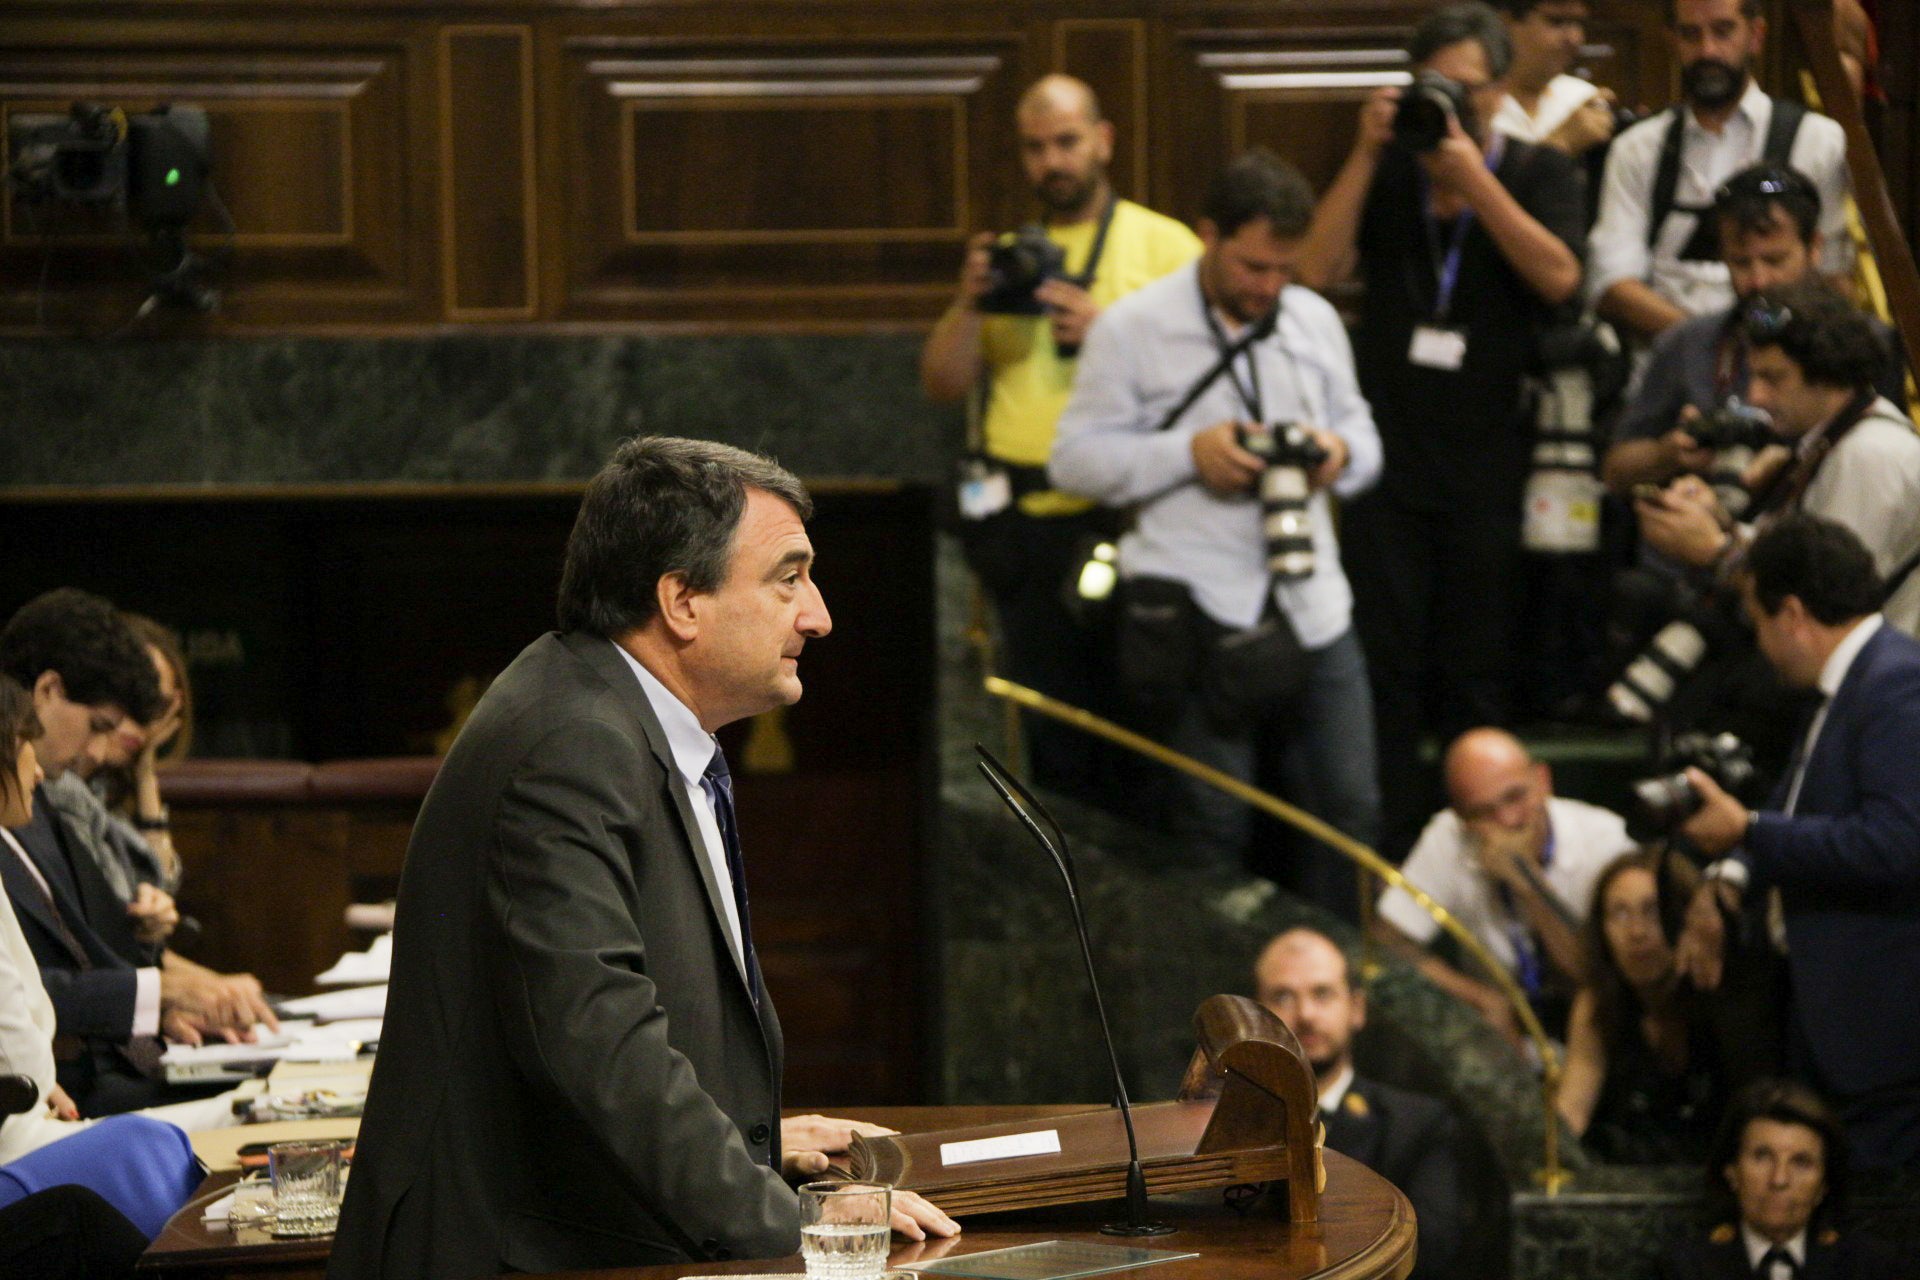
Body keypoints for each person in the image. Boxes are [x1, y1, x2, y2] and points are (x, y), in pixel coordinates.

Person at [330, 438, 958, 1279]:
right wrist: (795, 1228)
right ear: (682, 600)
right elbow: (593, 1041)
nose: (818, 614)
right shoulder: (572, 742)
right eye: (788, 577)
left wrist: (742, 1145)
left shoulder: (606, 714)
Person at [1048, 149, 1382, 913]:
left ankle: (1345, 1000)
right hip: (1195, 611)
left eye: (1284, 270)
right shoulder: (1133, 328)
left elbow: (1365, 439)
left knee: (1351, 811)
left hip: (1312, 601)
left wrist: (1338, 454)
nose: (1268, 287)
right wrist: (1187, 454)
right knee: (1211, 827)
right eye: (1252, 266)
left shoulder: (1314, 320)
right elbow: (1072, 463)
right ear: (1207, 235)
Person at [1297, 1, 1584, 859]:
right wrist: (1366, 150)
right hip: (1390, 471)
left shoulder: (1537, 172)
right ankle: (1385, 862)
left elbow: (1561, 278)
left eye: (1468, 92)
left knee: (1474, 675)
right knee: (1385, 675)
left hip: (1492, 470)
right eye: (1438, 90)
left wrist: (1474, 175)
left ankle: (1479, 860)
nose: (1453, 109)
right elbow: (1316, 271)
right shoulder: (1389, 173)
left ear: (1499, 91)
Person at [919, 74, 1201, 799]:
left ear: (1104, 141)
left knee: (1138, 724)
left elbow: (1208, 383)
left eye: (1068, 142)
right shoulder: (1012, 257)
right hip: (1023, 530)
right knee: (1049, 735)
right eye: (1036, 148)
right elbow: (943, 383)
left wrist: (1112, 333)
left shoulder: (1164, 245)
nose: (1054, 162)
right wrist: (970, 301)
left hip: (1129, 518)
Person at [1672, 515, 1920, 1171]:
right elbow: (1792, 807)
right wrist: (1730, 874)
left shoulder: (1896, 685)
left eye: (1757, 621)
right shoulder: (1840, 691)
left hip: (1879, 1032)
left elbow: (1899, 841)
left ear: (1792, 613)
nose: (1760, 644)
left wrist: (1747, 831)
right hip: (1832, 1016)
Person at [0, 590, 272, 1116]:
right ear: (47, 690)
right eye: (100, 726)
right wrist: (159, 998)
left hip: (116, 1071)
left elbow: (106, 952)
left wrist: (162, 995)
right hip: (69, 1095)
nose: (101, 754)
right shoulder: (27, 804)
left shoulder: (45, 809)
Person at [0, 675, 216, 1239]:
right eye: (25, 744)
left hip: (38, 1117)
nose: (40, 770)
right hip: (14, 1144)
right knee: (154, 1147)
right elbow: (16, 1069)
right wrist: (28, 1085)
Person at [1636, 282, 1920, 635]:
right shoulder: (1827, 442)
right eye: (1754, 375)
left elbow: (1824, 609)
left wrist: (1718, 552)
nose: (1755, 396)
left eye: (1773, 378)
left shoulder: (1870, 455)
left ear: (1827, 372)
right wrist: (1717, 521)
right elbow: (1797, 560)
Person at [1602, 164, 1905, 496]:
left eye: (1775, 260)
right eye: (1741, 263)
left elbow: (1885, 451)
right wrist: (1668, 453)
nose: (1759, 280)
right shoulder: (1687, 342)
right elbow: (1616, 470)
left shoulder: (1865, 342)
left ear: (1814, 248)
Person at [1588, 0, 1849, 345]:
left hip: (1783, 358)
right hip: (1667, 362)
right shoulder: (1637, 148)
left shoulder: (1817, 140)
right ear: (1672, 42)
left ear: (1755, 36)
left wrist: (1756, 344)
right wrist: (1712, 345)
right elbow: (1612, 282)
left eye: (1723, 31)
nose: (1707, 50)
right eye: (1690, 34)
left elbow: (1834, 278)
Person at [1374, 729, 1634, 1042]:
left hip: (1601, 1029)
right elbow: (1386, 943)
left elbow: (1602, 980)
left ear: (1542, 781)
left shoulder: (1604, 841)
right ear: (1462, 818)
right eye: (1484, 812)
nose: (1508, 820)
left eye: (1515, 797)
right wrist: (1478, 998)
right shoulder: (1449, 837)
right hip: (1500, 1037)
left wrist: (1527, 881)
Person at [1254, 927, 1464, 1279]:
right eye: (1283, 997)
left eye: (1322, 993)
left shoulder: (1419, 1124)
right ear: (1258, 1016)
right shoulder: (1229, 1127)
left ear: (1356, 1008)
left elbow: (1433, 1249)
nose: (1305, 1013)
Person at [1559, 850, 1728, 1164]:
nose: (1636, 932)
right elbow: (1571, 1113)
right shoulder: (1597, 1004)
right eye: (1619, 914)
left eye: (1653, 912)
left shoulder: (1725, 995)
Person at [1659, 1080, 1907, 1279]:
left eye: (1801, 1163)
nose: (1779, 1179)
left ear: (1823, 1184)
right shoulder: (1687, 1267)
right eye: (1762, 1157)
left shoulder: (1867, 1267)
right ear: (1732, 1172)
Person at [1490, 0, 1616, 157]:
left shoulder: (1583, 97)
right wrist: (1559, 144)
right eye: (1557, 21)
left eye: (1578, 23)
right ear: (1505, 23)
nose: (1575, 38)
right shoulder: (1474, 101)